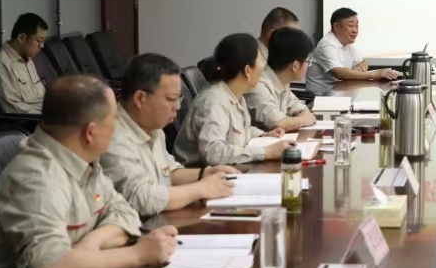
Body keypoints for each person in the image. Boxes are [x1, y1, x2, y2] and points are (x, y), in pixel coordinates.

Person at [0, 75, 178, 268]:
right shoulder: (37, 178)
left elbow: (123, 210)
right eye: (114, 120)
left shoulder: (82, 160)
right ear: (90, 132)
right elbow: (51, 267)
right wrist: (139, 254)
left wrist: (90, 245)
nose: (116, 129)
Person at [100, 53, 240, 217]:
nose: (178, 107)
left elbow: (167, 172)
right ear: (140, 98)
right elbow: (142, 199)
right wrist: (201, 188)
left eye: (178, 98)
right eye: (171, 99)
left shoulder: (153, 126)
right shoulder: (112, 137)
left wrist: (204, 174)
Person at [174, 33, 291, 165]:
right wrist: (265, 152)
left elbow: (237, 131)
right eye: (261, 62)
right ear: (248, 71)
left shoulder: (234, 94)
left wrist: (263, 135)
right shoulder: (214, 102)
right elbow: (213, 152)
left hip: (227, 169)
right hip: (200, 174)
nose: (263, 68)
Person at [305, 7, 400, 93]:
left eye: (356, 26)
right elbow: (339, 73)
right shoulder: (327, 45)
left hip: (340, 92)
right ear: (336, 26)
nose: (355, 30)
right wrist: (374, 75)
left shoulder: (347, 44)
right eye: (351, 26)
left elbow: (363, 62)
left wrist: (354, 72)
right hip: (321, 98)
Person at [246, 27, 318, 132]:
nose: (308, 66)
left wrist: (301, 117)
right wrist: (305, 120)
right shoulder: (257, 86)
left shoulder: (281, 81)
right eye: (308, 62)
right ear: (295, 66)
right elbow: (278, 124)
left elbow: (299, 107)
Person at [0, 12, 48, 114]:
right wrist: (49, 114)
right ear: (21, 38)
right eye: (39, 41)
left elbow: (41, 95)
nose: (42, 46)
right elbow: (13, 108)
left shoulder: (27, 58)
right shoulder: (1, 64)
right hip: (32, 119)